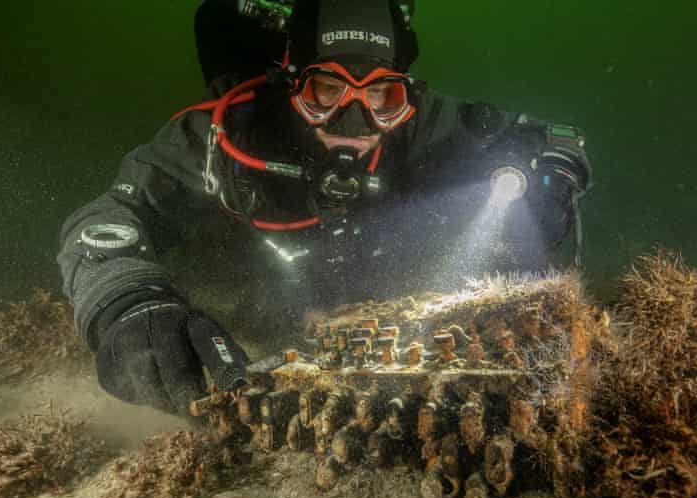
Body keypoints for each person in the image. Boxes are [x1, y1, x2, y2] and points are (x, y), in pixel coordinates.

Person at [56, 0, 592, 418]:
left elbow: (557, 137)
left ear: (406, 97)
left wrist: (552, 181)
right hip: (242, 298)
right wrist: (128, 304)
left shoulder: (428, 122)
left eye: (382, 98)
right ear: (291, 84)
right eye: (327, 90)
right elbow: (107, 218)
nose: (353, 120)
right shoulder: (226, 132)